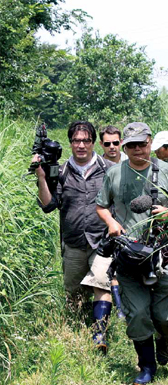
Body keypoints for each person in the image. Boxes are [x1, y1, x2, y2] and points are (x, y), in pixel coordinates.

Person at [96, 122, 168, 385]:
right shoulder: (114, 173)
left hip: (164, 252)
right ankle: (146, 366)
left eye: (141, 144)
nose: (137, 150)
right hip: (129, 254)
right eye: (130, 145)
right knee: (137, 315)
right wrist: (111, 223)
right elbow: (101, 206)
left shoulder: (167, 171)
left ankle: (163, 337)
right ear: (124, 147)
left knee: (163, 315)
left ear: (150, 143)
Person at [32, 121, 114, 352]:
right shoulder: (62, 171)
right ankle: (75, 331)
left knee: (101, 283)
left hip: (102, 241)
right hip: (74, 241)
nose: (80, 145)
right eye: (76, 140)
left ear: (93, 143)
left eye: (85, 140)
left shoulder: (108, 169)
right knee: (74, 294)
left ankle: (100, 334)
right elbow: (49, 205)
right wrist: (41, 177)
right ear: (70, 143)